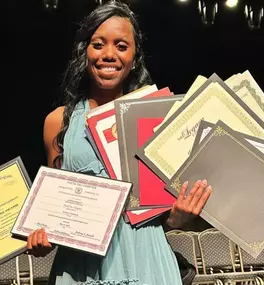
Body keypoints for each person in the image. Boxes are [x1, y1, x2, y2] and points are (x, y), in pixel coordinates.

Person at [27, 1, 212, 284]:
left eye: (121, 46)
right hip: (80, 266)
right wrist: (43, 236)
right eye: (98, 44)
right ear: (84, 52)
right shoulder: (57, 122)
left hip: (146, 258)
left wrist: (180, 216)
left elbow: (167, 214)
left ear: (135, 57)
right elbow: (55, 205)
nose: (109, 54)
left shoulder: (159, 116)